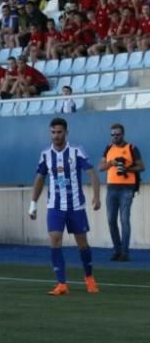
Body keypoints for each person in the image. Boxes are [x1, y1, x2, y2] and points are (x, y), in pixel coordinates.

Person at [29, 118, 101, 295]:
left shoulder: (76, 151)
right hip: (55, 206)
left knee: (82, 244)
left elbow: (92, 173)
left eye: (59, 132)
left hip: (76, 206)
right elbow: (39, 178)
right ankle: (62, 284)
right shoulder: (45, 154)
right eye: (53, 132)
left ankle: (89, 278)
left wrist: (96, 196)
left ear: (66, 133)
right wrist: (33, 204)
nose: (56, 135)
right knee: (54, 240)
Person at [99, 123, 144, 261]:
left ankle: (124, 252)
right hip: (111, 187)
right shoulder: (108, 148)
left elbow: (141, 166)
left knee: (124, 220)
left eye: (117, 134)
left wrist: (127, 169)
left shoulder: (131, 148)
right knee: (111, 220)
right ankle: (117, 250)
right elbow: (101, 167)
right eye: (112, 134)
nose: (115, 137)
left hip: (127, 188)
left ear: (123, 134)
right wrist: (111, 163)